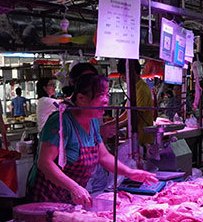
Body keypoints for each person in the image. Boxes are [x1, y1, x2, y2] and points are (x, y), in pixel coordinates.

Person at [27, 73, 157, 207]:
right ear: (81, 98)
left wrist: (130, 173)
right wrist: (74, 188)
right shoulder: (60, 121)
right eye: (101, 95)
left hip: (71, 198)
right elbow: (44, 162)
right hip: (47, 198)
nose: (106, 100)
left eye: (107, 94)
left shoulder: (93, 121)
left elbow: (104, 156)